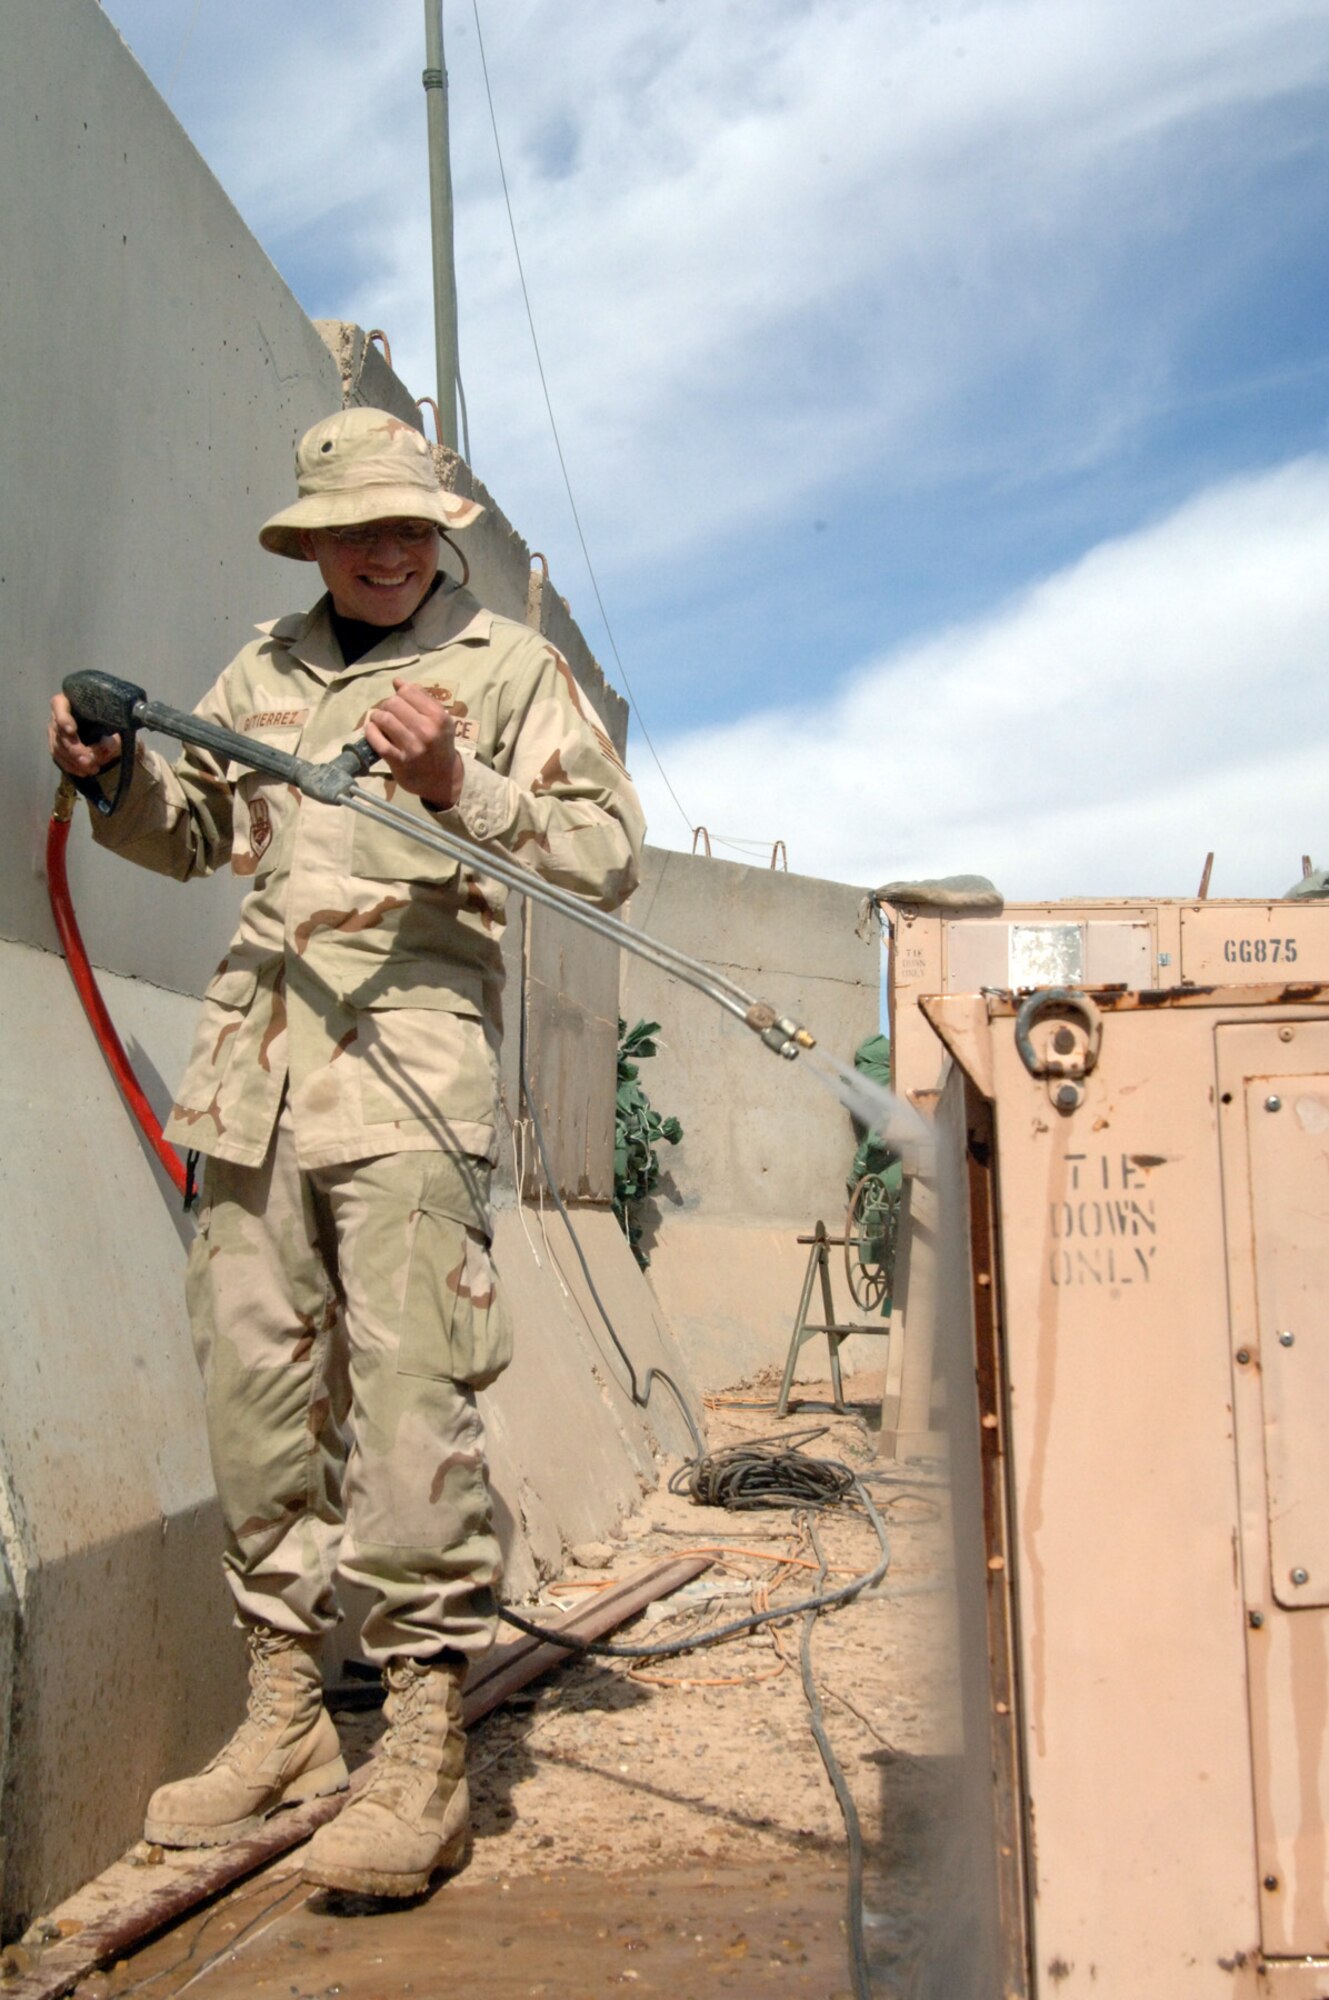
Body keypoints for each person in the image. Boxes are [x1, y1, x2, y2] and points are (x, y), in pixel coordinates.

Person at [48, 406, 644, 1898]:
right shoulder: (265, 668)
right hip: (252, 1065)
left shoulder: (506, 670)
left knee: (407, 1400)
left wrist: (460, 786)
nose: (382, 551)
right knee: (253, 1394)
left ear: (436, 528)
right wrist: (113, 772)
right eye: (351, 529)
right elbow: (193, 834)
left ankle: (425, 1741)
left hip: (409, 1072)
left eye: (406, 525)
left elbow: (602, 856)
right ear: (309, 540)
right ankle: (285, 1716)